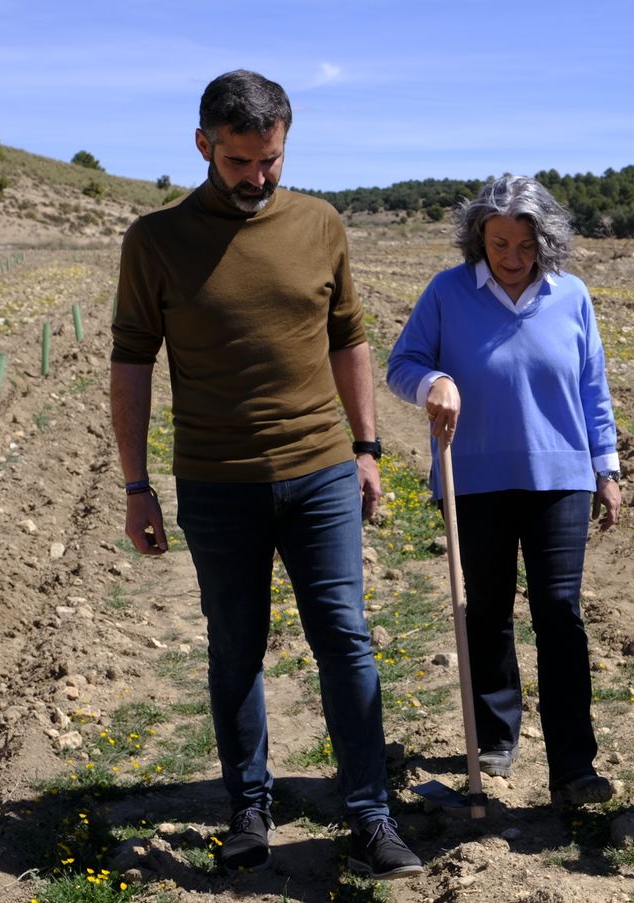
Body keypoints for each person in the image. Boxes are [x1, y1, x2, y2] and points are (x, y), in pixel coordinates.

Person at [109, 70, 422, 879]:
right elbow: (132, 361)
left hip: (320, 470)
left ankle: (371, 817)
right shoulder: (156, 240)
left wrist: (367, 447)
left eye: (270, 160)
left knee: (345, 641)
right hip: (216, 480)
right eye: (239, 161)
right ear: (203, 145)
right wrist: (136, 483)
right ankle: (249, 809)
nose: (256, 178)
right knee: (236, 646)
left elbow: (350, 337)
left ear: (287, 142)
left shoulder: (319, 223)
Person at [386, 176, 621, 807]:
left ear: (546, 241)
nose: (512, 257)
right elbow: (401, 364)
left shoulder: (571, 297)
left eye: (525, 243)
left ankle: (574, 765)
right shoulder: (447, 293)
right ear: (479, 240)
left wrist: (607, 467)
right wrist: (432, 379)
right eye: (499, 243)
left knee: (560, 615)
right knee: (485, 614)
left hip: (560, 480)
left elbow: (593, 388)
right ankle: (494, 738)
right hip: (475, 479)